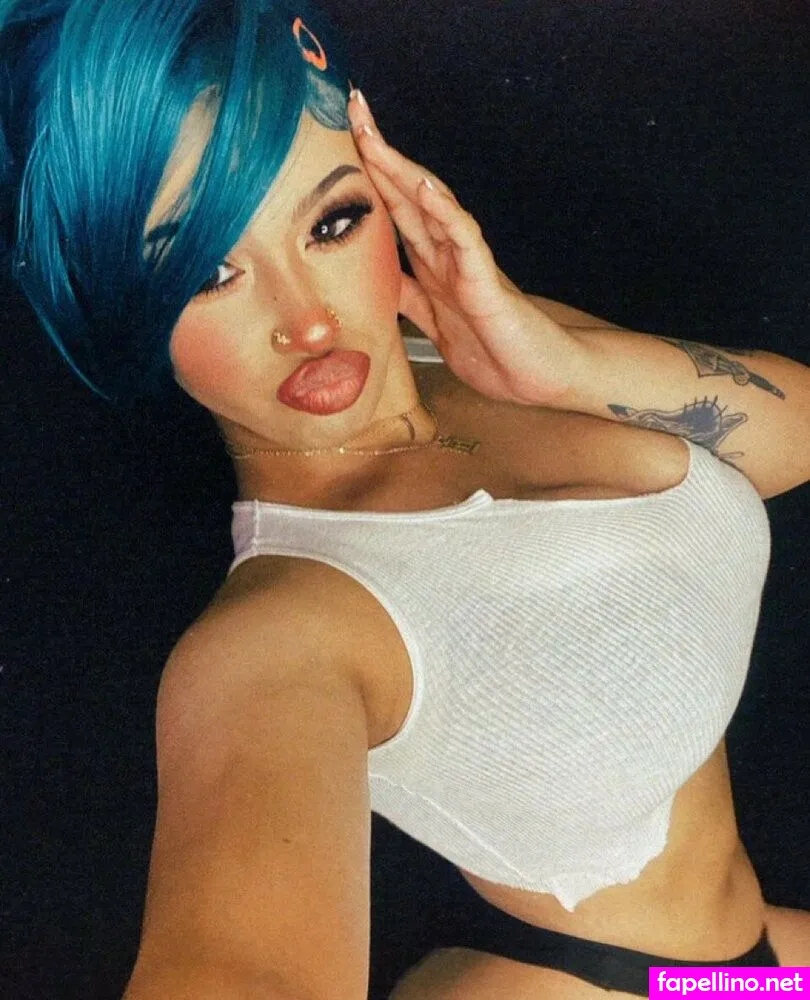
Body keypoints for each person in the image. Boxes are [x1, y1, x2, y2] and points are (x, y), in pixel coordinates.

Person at [2, 1, 808, 998]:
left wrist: (566, 362)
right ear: (121, 308)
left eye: (332, 222)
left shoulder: (469, 347)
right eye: (209, 271)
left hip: (749, 975)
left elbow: (796, 433)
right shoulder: (277, 640)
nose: (306, 319)